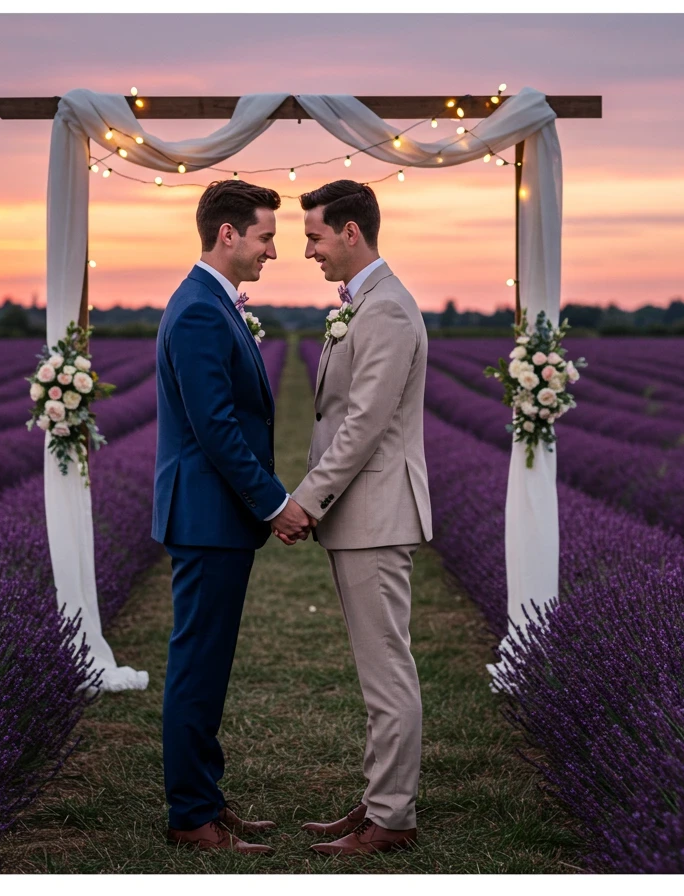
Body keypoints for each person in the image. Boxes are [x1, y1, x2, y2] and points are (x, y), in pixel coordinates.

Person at [151, 178, 312, 854]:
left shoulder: (212, 304)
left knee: (209, 665)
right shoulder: (197, 311)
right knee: (198, 665)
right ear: (228, 234)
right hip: (207, 516)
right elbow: (215, 428)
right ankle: (191, 817)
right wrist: (275, 502)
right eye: (266, 236)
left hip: (214, 517)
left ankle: (206, 801)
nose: (273, 251)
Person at [286, 180, 433, 857]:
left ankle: (393, 819)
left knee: (386, 671)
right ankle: (378, 799)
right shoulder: (368, 304)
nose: (307, 248)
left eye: (315, 234)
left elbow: (364, 424)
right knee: (377, 667)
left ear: (351, 231)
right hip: (364, 514)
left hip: (374, 513)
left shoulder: (387, 312)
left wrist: (308, 500)